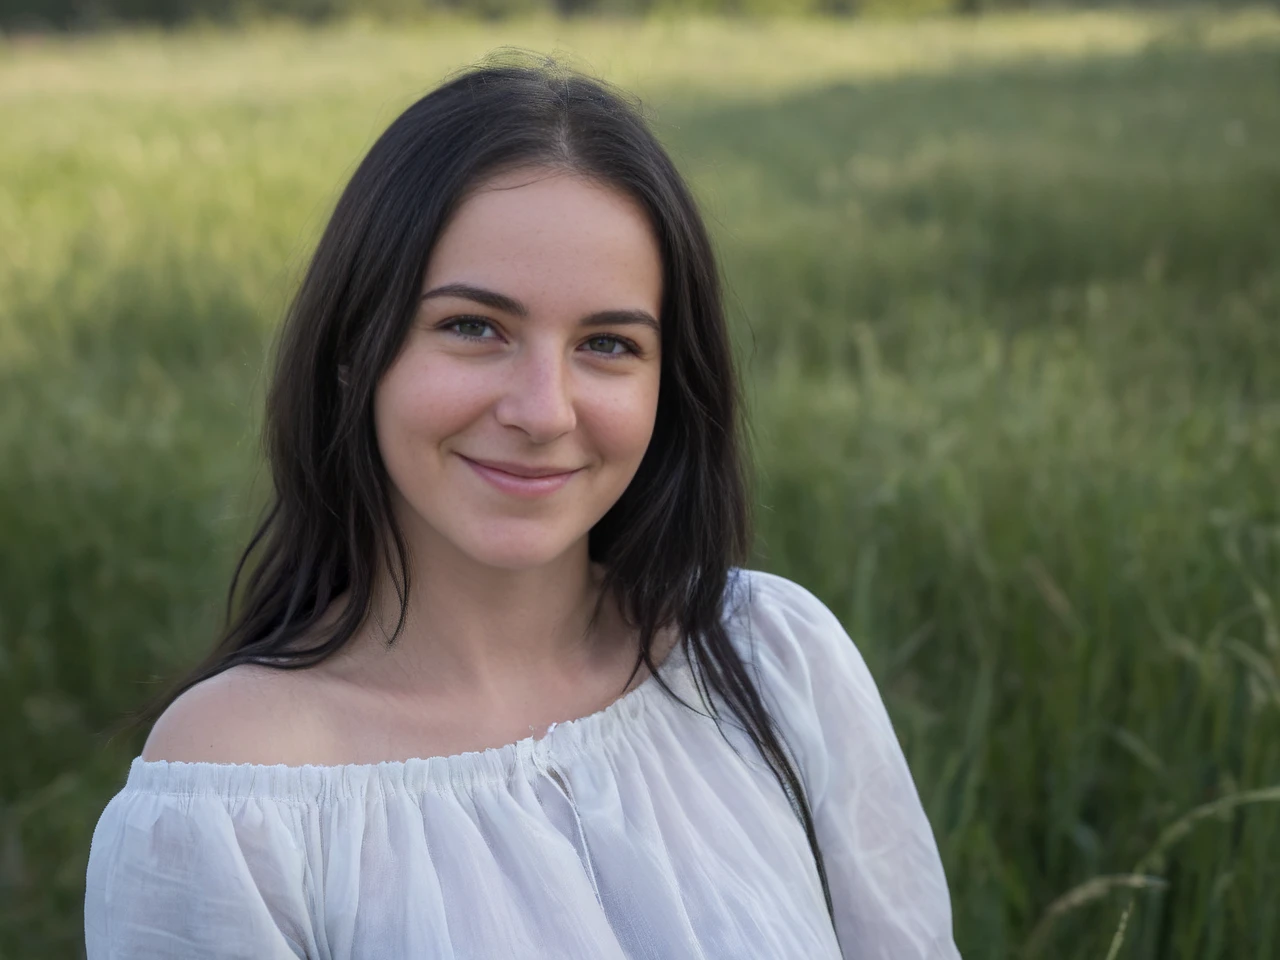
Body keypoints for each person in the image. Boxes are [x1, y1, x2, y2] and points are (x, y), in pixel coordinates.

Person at [83, 56, 960, 959]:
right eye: (473, 327)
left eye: (609, 344)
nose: (543, 411)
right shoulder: (234, 793)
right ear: (355, 350)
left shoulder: (772, 658)